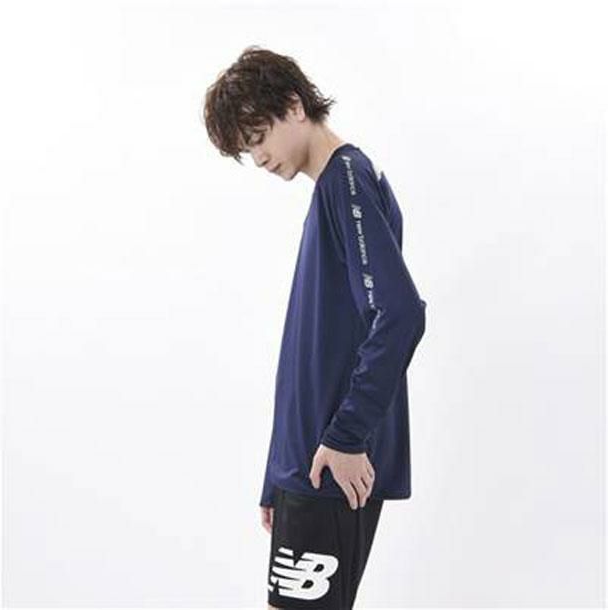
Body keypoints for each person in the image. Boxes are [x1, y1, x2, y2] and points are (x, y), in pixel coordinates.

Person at [203, 45, 427, 610]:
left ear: (294, 105)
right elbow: (310, 350)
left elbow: (399, 314)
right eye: (246, 149)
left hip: (329, 461)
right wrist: (278, 470)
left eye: (258, 137)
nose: (258, 157)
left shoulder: (346, 179)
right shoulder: (333, 189)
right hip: (305, 464)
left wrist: (348, 435)